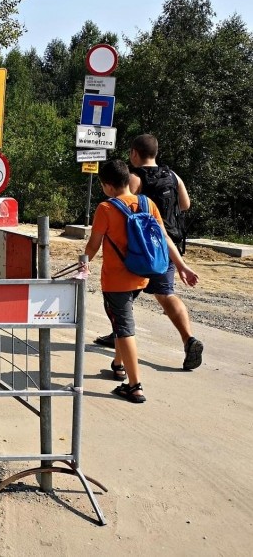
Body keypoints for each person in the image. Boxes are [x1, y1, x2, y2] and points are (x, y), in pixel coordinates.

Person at [83, 159, 199, 403]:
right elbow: (165, 238)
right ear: (128, 180)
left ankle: (134, 386)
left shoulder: (105, 208)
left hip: (116, 280)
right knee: (120, 320)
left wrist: (84, 263)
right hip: (142, 275)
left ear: (107, 186)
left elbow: (93, 244)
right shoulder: (147, 203)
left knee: (124, 327)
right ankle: (118, 364)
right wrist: (182, 266)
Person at [94, 134, 204, 371]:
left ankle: (121, 346)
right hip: (166, 247)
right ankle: (188, 339)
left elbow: (123, 204)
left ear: (134, 153)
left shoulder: (134, 178)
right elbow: (185, 204)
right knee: (166, 294)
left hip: (138, 248)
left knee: (123, 299)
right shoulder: (173, 176)